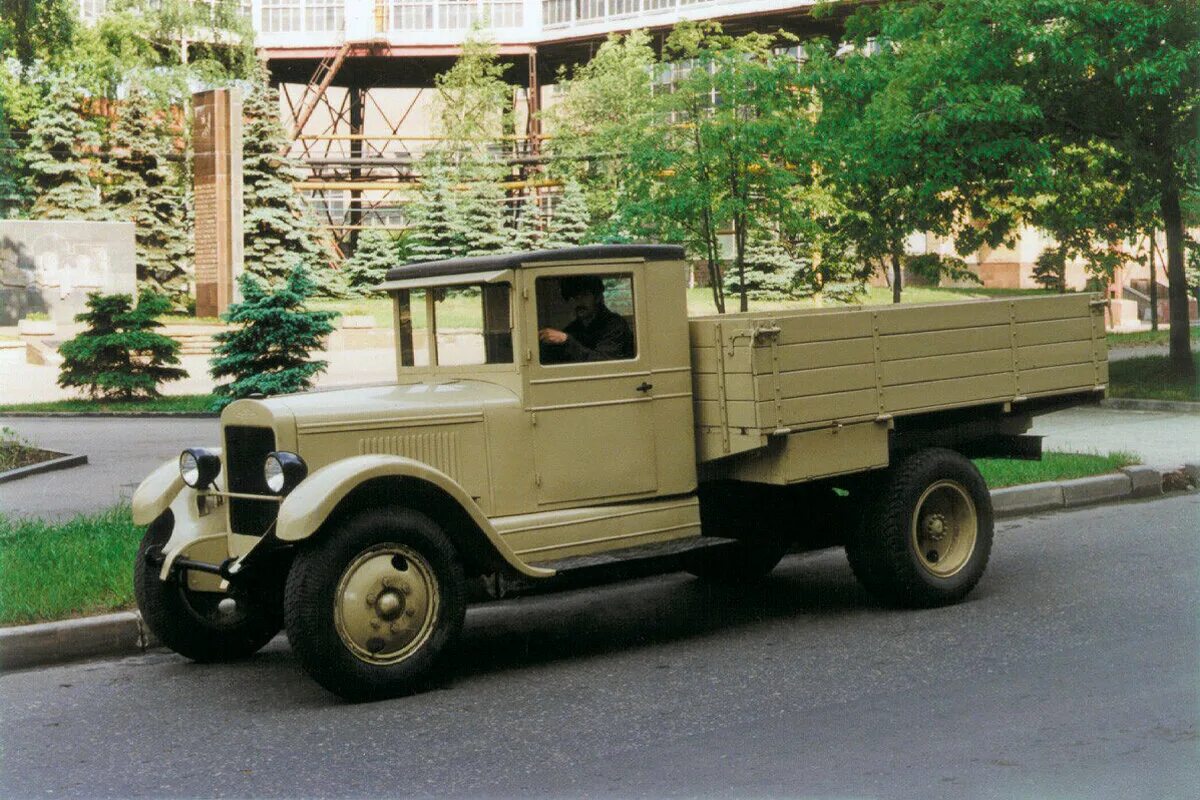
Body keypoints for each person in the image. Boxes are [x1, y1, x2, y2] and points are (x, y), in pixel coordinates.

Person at [538, 275, 634, 363]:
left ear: (597, 297)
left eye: (584, 295)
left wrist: (566, 341)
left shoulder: (615, 326)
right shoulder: (573, 328)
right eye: (574, 297)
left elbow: (603, 363)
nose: (579, 302)